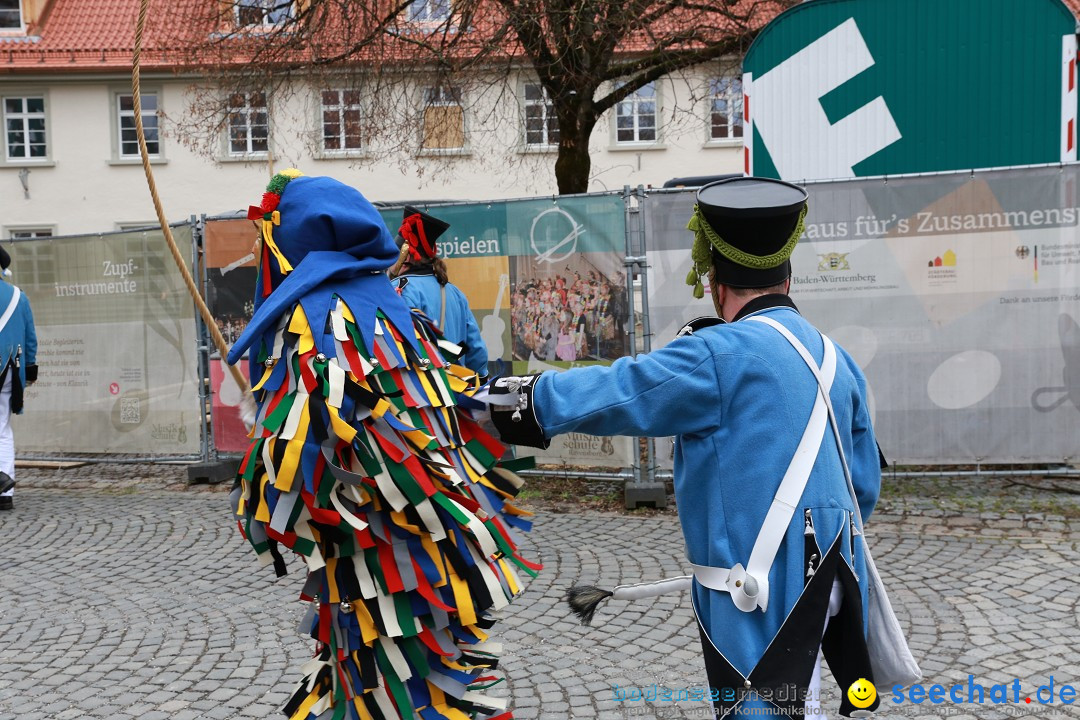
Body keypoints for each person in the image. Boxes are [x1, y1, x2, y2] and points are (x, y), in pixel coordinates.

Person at [488, 177, 885, 718]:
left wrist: (501, 401)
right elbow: (862, 487)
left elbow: (619, 390)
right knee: (804, 704)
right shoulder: (839, 360)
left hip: (760, 585)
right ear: (788, 275)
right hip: (834, 575)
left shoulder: (719, 352)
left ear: (716, 281)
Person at [226, 171, 539, 720]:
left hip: (373, 549)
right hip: (438, 535)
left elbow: (294, 460)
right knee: (430, 675)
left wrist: (260, 500)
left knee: (383, 684)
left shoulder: (316, 323)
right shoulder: (404, 314)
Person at [389, 207, 490, 377]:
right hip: (457, 390)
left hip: (423, 393)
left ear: (405, 256)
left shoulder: (399, 288)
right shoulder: (455, 292)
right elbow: (477, 351)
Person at [0, 246, 38, 512]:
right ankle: (5, 494)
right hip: (8, 370)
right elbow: (29, 337)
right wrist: (31, 368)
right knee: (2, 430)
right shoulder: (18, 297)